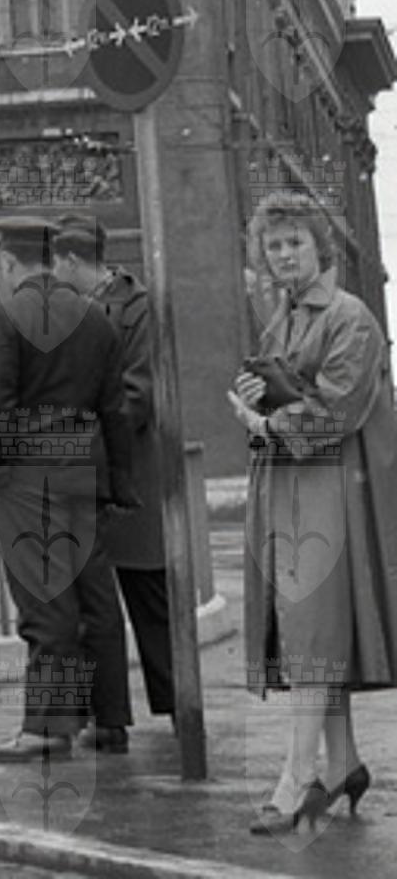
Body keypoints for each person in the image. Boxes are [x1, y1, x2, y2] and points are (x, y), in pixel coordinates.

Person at [229, 193, 397, 834]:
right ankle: (342, 762)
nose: (283, 254)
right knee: (314, 633)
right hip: (300, 489)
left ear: (320, 247)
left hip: (331, 493)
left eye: (294, 242)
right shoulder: (287, 318)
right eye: (273, 245)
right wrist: (257, 398)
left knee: (313, 633)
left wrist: (263, 421)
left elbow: (335, 408)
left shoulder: (349, 317)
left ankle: (297, 778)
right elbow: (295, 398)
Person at [0, 212, 138, 762]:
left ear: (8, 262)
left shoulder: (6, 318)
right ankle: (110, 718)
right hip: (84, 475)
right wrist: (118, 483)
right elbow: (115, 412)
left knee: (46, 605)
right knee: (95, 599)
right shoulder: (97, 321)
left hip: (27, 478)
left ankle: (49, 727)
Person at [53, 214, 173, 748]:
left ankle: (180, 710)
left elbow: (138, 395)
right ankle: (105, 720)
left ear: (72, 260)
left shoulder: (138, 308)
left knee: (150, 599)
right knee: (87, 608)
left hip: (130, 476)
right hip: (82, 483)